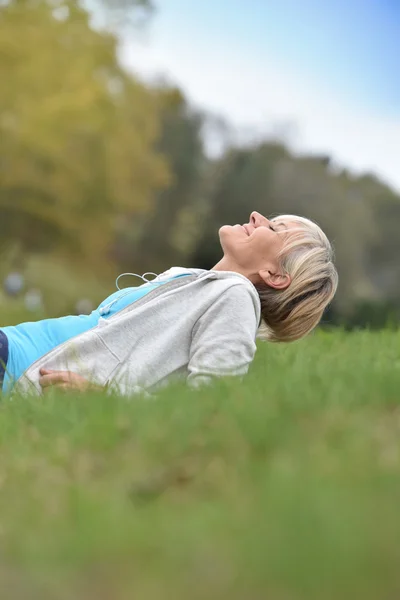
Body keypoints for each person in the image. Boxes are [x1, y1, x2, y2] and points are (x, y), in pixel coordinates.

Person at [0, 211, 338, 398]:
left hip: (20, 370)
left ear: (275, 275)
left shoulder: (236, 297)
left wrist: (99, 395)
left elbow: (205, 405)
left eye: (274, 228)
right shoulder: (198, 282)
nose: (256, 216)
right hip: (14, 349)